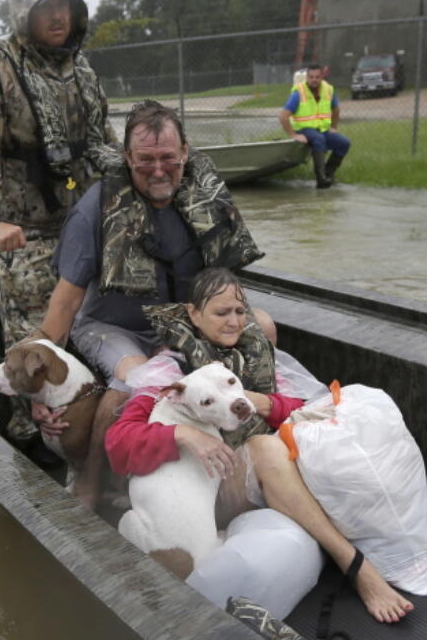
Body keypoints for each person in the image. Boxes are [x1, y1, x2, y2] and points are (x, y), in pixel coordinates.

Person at [105, 267, 427, 624]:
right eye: (222, 312)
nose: (235, 321)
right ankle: (357, 568)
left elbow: (300, 406)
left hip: (266, 459)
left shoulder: (254, 353)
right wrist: (183, 434)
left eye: (241, 310)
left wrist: (263, 401)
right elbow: (118, 443)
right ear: (193, 313)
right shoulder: (169, 371)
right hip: (218, 483)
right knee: (267, 447)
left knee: (351, 421)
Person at [29, 101, 264, 509]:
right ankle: (91, 480)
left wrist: (208, 332)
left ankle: (253, 457)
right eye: (146, 160)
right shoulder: (96, 208)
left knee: (265, 327)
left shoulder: (206, 200)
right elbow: (65, 307)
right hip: (110, 326)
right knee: (141, 378)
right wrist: (35, 389)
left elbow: (226, 289)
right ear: (127, 158)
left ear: (185, 154)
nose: (158, 170)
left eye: (168, 159)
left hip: (180, 321)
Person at [0, 0, 117, 440]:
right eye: (48, 6)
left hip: (81, 224)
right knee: (32, 349)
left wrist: (142, 175)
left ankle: (91, 424)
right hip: (22, 231)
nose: (59, 16)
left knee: (94, 330)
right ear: (25, 11)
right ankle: (29, 439)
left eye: (66, 5)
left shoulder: (81, 71)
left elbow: (103, 140)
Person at [278, 64, 351, 189]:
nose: (314, 80)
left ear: (322, 77)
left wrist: (334, 127)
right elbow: (283, 116)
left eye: (317, 77)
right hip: (304, 129)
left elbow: (336, 109)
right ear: (307, 77)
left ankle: (328, 174)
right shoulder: (298, 93)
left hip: (322, 129)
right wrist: (293, 135)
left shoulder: (328, 90)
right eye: (311, 77)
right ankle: (321, 180)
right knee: (319, 139)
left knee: (344, 143)